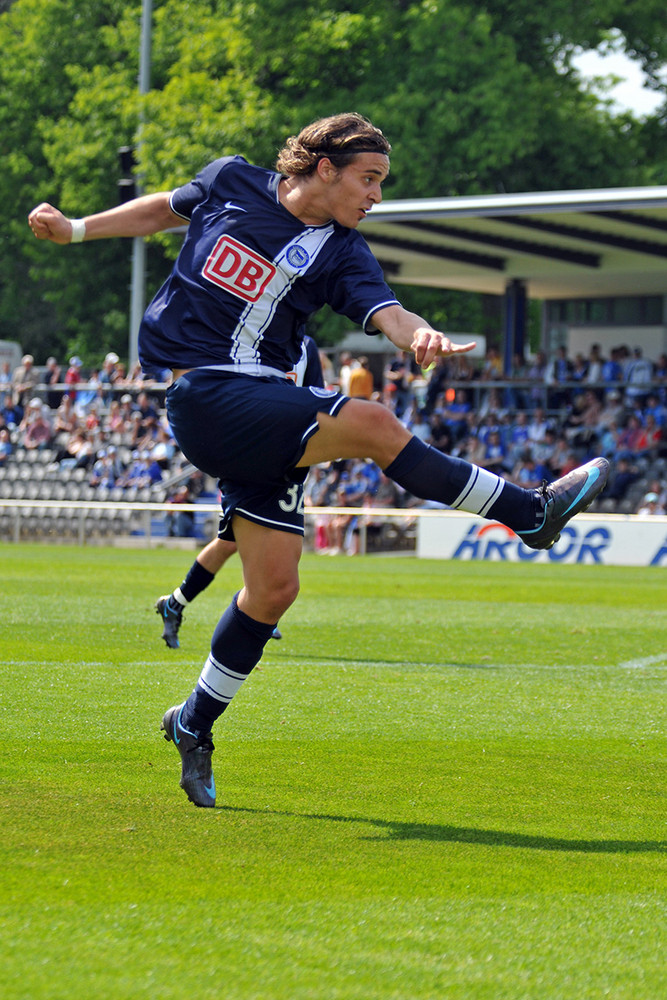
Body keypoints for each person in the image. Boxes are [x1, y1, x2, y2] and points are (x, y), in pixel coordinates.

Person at [29, 111, 610, 809]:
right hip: (207, 394)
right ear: (324, 167)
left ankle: (192, 722)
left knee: (273, 591)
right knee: (370, 421)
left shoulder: (341, 252)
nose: (376, 196)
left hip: (264, 410)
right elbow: (162, 209)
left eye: (382, 184)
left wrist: (419, 334)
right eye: (368, 179)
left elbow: (388, 313)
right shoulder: (231, 180)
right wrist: (77, 229)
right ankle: (529, 513)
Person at [154, 334, 324, 648]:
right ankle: (259, 610)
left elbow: (316, 398)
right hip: (249, 456)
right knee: (258, 538)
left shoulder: (305, 347)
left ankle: (176, 603)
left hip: (287, 459)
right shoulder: (245, 338)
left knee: (233, 542)